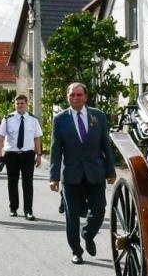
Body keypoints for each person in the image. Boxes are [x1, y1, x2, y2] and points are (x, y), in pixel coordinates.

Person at [49, 82, 115, 264]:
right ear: (67, 97)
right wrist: (54, 177)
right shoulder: (60, 119)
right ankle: (76, 251)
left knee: (99, 209)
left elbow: (105, 146)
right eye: (72, 95)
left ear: (85, 97)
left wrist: (110, 171)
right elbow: (56, 150)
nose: (75, 98)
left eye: (79, 95)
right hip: (71, 174)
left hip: (95, 172)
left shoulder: (98, 116)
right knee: (72, 216)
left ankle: (88, 233)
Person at [0, 93, 43, 219]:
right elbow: (0, 136)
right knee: (12, 182)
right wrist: (0, 151)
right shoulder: (7, 119)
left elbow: (37, 138)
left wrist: (38, 155)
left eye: (22, 103)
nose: (19, 105)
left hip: (27, 155)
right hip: (11, 154)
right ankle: (13, 208)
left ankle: (28, 210)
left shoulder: (33, 120)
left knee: (27, 183)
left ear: (27, 104)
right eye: (17, 103)